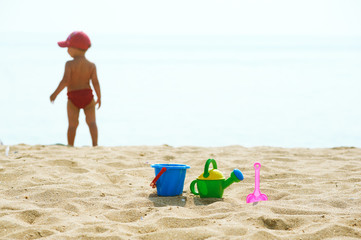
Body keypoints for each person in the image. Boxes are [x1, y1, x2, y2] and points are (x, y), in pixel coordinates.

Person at [50, 31, 101, 147]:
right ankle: (95, 145)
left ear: (75, 48)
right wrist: (99, 97)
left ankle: (70, 145)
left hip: (73, 97)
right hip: (88, 96)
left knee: (72, 125)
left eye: (68, 47)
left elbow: (65, 81)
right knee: (92, 122)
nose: (67, 50)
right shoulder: (91, 65)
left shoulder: (69, 64)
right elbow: (95, 83)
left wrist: (55, 94)